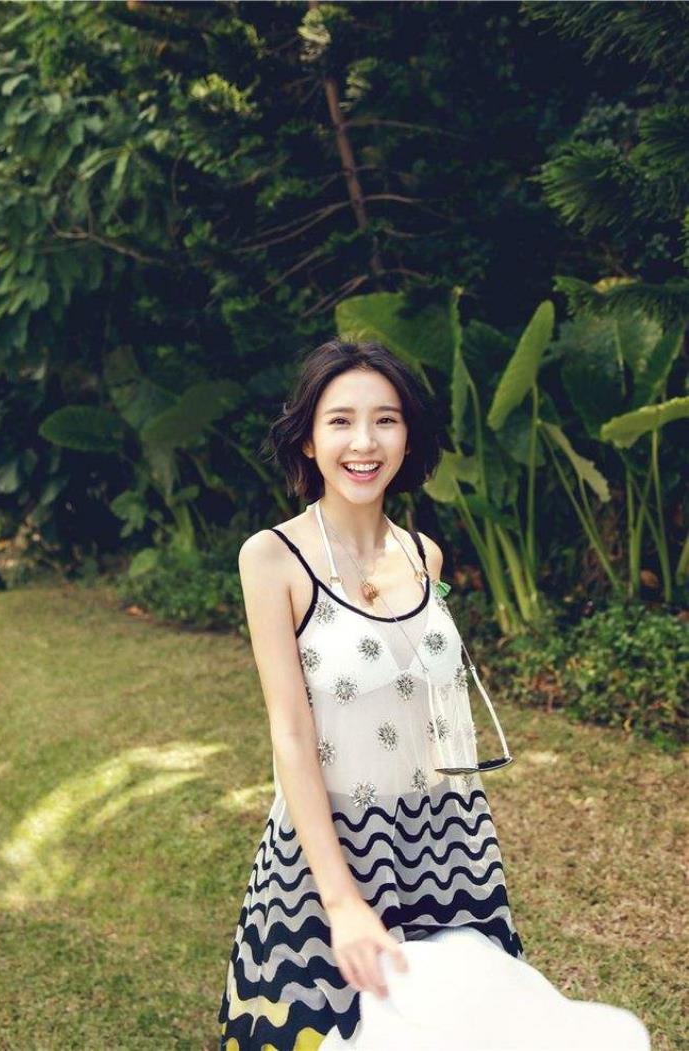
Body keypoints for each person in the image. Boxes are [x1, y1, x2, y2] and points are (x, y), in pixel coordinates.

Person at [216, 339, 650, 1051]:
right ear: (308, 439)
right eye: (340, 420)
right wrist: (341, 901)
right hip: (329, 850)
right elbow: (289, 734)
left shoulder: (424, 555)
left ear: (408, 436)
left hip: (440, 841)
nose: (364, 442)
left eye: (385, 420)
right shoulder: (272, 558)